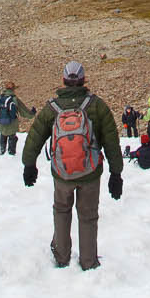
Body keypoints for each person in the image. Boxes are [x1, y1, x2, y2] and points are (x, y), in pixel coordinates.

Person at [22, 61, 123, 271]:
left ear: (64, 81)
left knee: (61, 211)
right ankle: (88, 261)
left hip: (62, 174)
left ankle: (61, 256)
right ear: (84, 80)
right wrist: (116, 173)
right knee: (88, 216)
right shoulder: (97, 106)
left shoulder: (53, 108)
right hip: (90, 173)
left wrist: (29, 165)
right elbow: (111, 141)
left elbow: (35, 136)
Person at [0, 79, 33, 156]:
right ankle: (11, 152)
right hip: (12, 123)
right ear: (13, 89)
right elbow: (23, 111)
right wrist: (32, 114)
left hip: (1, 122)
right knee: (12, 136)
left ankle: (2, 150)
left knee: (3, 134)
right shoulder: (14, 99)